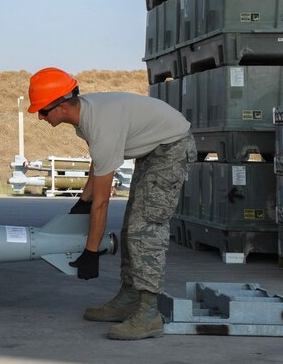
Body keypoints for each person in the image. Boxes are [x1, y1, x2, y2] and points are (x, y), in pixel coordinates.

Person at [27, 67, 195, 341]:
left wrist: (91, 252)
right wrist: (84, 200)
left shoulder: (99, 124)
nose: (40, 117)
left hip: (171, 149)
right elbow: (99, 161)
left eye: (43, 111)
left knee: (145, 229)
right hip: (154, 150)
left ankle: (149, 314)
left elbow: (103, 202)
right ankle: (129, 299)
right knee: (131, 229)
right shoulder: (85, 117)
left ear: (61, 106)